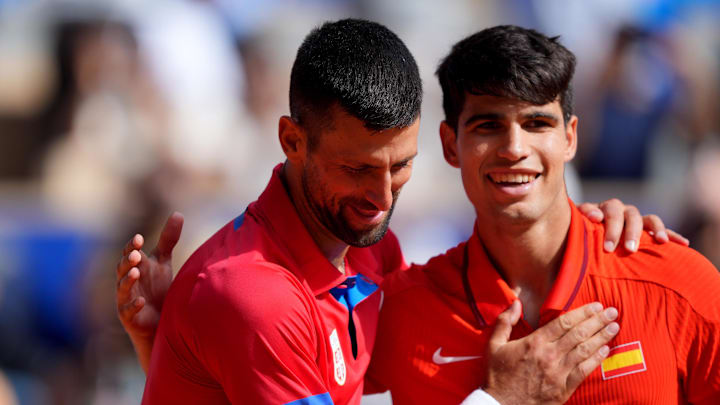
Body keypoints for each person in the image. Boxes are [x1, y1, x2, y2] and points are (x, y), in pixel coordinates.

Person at [117, 19, 687, 405]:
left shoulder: (369, 249)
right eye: (357, 168)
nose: (382, 198)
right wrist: (500, 400)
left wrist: (574, 227)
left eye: (399, 166)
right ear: (292, 140)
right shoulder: (251, 295)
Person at [365, 25, 720, 404]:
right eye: (489, 125)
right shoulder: (399, 316)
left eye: (537, 123)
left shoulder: (677, 282)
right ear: (451, 145)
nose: (514, 148)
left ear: (570, 137)